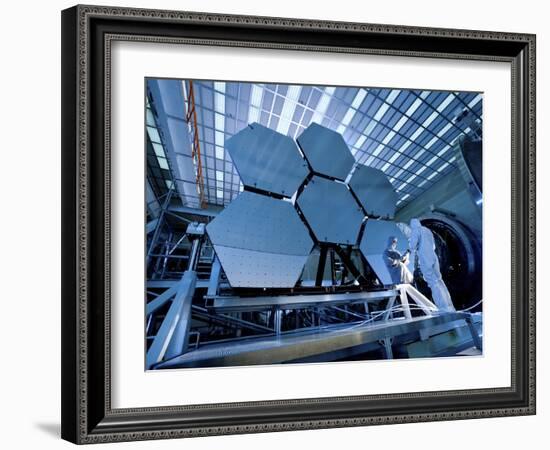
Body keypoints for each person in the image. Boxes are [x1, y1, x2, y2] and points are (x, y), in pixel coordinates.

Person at [409, 219, 455, 312]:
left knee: (432, 283)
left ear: (412, 225)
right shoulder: (427, 230)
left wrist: (410, 245)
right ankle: (449, 305)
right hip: (433, 256)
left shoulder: (416, 230)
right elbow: (433, 246)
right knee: (439, 280)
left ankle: (443, 308)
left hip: (425, 257)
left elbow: (412, 245)